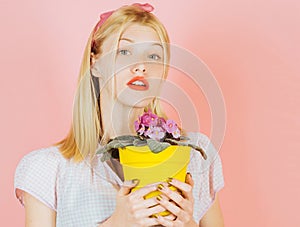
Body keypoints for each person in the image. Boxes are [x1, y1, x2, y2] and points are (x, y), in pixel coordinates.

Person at [14, 3, 225, 227]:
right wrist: (116, 223)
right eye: (124, 52)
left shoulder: (194, 155)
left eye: (153, 56)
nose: (141, 66)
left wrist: (188, 224)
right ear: (95, 64)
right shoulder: (48, 169)